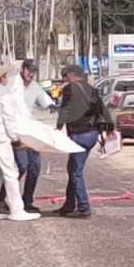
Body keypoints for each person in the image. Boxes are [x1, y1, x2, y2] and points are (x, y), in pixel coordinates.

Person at [0, 65, 40, 222]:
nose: (8, 80)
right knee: (11, 174)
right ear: (1, 78)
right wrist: (15, 138)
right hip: (0, 139)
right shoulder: (3, 94)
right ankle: (17, 210)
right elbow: (9, 118)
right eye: (6, 77)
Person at [0, 59, 55, 215]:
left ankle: (27, 200)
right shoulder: (12, 85)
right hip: (15, 131)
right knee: (20, 166)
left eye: (34, 71)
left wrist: (53, 106)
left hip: (30, 131)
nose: (31, 74)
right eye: (29, 70)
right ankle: (2, 198)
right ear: (22, 69)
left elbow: (45, 101)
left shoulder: (35, 87)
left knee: (35, 167)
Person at [55, 64, 113, 218]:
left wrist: (57, 128)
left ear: (71, 75)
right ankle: (69, 205)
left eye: (65, 76)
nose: (64, 80)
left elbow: (65, 110)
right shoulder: (92, 89)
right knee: (73, 168)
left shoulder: (70, 89)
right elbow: (103, 109)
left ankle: (83, 206)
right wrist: (110, 128)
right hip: (92, 135)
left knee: (75, 172)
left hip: (78, 136)